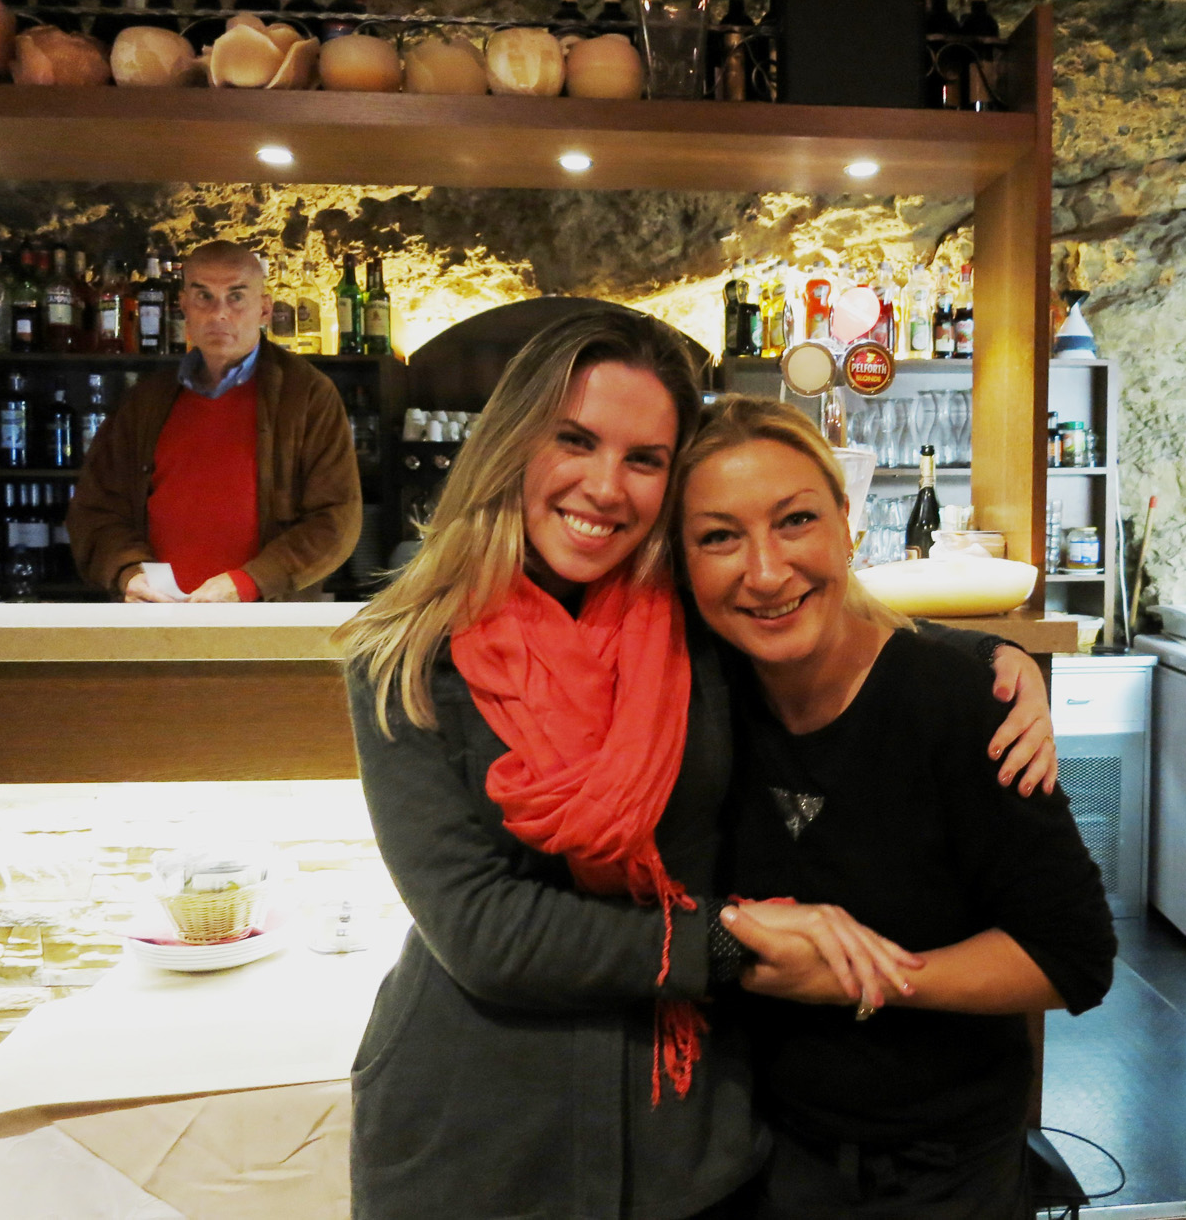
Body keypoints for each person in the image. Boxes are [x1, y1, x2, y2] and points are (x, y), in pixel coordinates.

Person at [336, 309, 1062, 1220]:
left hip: (688, 1139)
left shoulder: (696, 624)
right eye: (575, 440)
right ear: (514, 441)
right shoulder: (406, 655)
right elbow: (481, 928)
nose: (606, 486)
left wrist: (987, 660)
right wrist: (722, 941)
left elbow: (828, 622)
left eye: (644, 459)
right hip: (477, 1135)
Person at [676, 395, 1117, 1220]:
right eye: (719, 537)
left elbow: (1074, 956)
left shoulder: (956, 704)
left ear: (848, 527)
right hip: (753, 1151)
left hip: (942, 1169)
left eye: (796, 520)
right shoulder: (700, 698)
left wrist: (863, 978)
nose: (765, 571)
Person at [67, 240, 361, 602]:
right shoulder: (145, 401)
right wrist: (128, 571)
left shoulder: (308, 395)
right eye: (203, 296)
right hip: (156, 616)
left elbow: (336, 520)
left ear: (265, 309)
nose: (219, 313)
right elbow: (95, 509)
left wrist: (248, 583)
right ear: (183, 306)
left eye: (236, 296)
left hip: (267, 619)